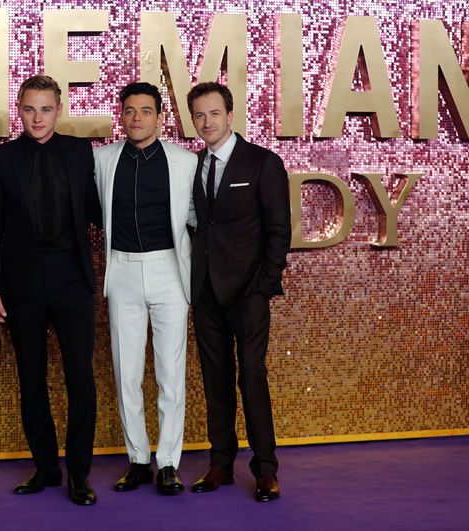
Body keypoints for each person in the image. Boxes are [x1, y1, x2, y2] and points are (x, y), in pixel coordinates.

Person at [0, 75, 102, 506]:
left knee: (80, 379)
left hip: (72, 279)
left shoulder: (80, 153)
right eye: (29, 109)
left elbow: (96, 212)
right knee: (31, 380)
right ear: (19, 109)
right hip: (21, 285)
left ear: (59, 110)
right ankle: (46, 468)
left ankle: (79, 474)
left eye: (45, 109)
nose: (37, 118)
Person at [185, 82, 291, 502]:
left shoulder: (263, 163)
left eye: (214, 113)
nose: (207, 122)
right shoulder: (192, 166)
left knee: (251, 378)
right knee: (215, 380)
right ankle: (220, 464)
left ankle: (265, 469)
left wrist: (263, 287)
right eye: (199, 115)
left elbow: (279, 231)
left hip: (248, 293)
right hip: (206, 292)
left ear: (230, 116)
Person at [92, 82, 197, 495]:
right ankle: (138, 459)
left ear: (160, 116)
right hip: (121, 269)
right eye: (130, 110)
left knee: (171, 374)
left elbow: (196, 218)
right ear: (122, 115)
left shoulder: (186, 162)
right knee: (126, 373)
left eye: (146, 111)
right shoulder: (101, 160)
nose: (137, 118)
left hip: (169, 270)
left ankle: (169, 462)